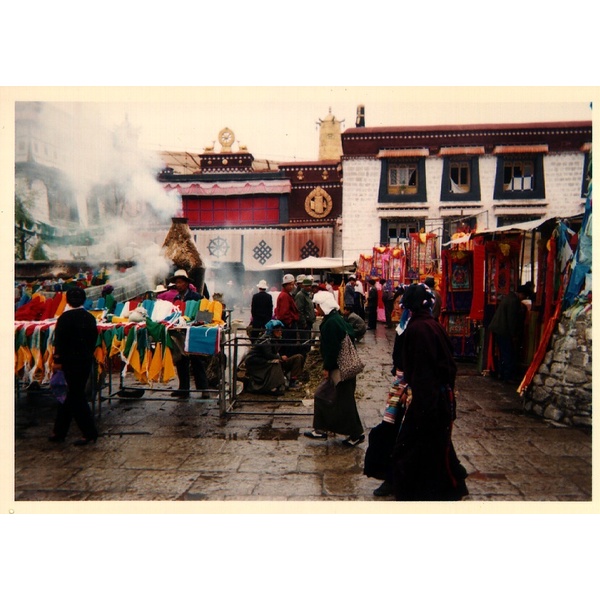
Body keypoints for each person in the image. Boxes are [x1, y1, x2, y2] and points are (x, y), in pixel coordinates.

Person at [390, 283, 468, 501]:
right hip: (436, 398)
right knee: (434, 449)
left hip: (429, 401)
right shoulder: (430, 324)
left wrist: (423, 406)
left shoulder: (419, 329)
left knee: (413, 450)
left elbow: (425, 372)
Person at [304, 291, 365, 446]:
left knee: (334, 398)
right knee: (337, 398)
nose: (316, 309)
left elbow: (332, 348)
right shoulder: (337, 318)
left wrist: (327, 367)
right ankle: (323, 428)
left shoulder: (331, 323)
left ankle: (355, 433)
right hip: (346, 366)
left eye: (317, 306)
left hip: (340, 368)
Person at [49, 287, 99, 445]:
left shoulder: (65, 318)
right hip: (84, 361)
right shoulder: (90, 317)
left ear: (67, 300)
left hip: (69, 362)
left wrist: (57, 361)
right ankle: (59, 431)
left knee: (75, 397)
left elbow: (60, 342)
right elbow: (93, 340)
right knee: (68, 396)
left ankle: (89, 432)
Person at [169, 269, 210, 399]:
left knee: (196, 361)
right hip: (179, 333)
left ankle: (204, 389)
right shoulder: (175, 298)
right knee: (181, 361)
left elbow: (206, 312)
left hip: (192, 333)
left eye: (180, 282)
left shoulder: (196, 297)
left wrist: (200, 322)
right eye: (176, 282)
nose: (178, 285)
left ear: (186, 283)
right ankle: (183, 389)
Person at [242, 320, 305, 394]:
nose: (280, 332)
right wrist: (280, 358)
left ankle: (292, 382)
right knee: (276, 363)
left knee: (298, 357)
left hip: (271, 360)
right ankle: (276, 385)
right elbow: (268, 355)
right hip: (260, 363)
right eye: (277, 330)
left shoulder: (276, 339)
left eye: (280, 330)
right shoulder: (265, 340)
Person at [487, 285, 528, 382]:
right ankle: (507, 376)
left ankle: (502, 374)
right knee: (507, 353)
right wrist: (513, 334)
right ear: (521, 294)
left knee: (504, 352)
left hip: (499, 328)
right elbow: (511, 319)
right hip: (503, 330)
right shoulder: (513, 301)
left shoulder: (509, 297)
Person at [274, 273, 301, 358]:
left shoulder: (285, 294)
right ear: (286, 285)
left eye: (293, 285)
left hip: (287, 325)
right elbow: (284, 313)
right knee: (289, 346)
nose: (293, 287)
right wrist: (289, 322)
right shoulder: (285, 296)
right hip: (288, 326)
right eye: (291, 285)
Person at [294, 277, 316, 357]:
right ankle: (303, 358)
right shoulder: (300, 295)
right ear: (303, 286)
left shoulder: (308, 295)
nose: (309, 287)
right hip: (304, 324)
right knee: (305, 343)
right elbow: (299, 310)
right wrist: (303, 322)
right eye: (307, 286)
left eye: (310, 286)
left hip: (309, 322)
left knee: (308, 342)